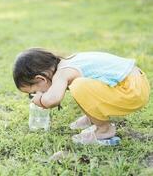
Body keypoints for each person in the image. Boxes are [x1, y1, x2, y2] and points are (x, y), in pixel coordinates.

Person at [13, 48, 150, 144]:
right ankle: (92, 117)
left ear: (41, 79)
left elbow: (53, 100)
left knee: (79, 86)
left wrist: (41, 100)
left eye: (33, 92)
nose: (35, 95)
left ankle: (104, 130)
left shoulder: (63, 73)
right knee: (80, 86)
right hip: (135, 82)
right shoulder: (67, 62)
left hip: (132, 91)